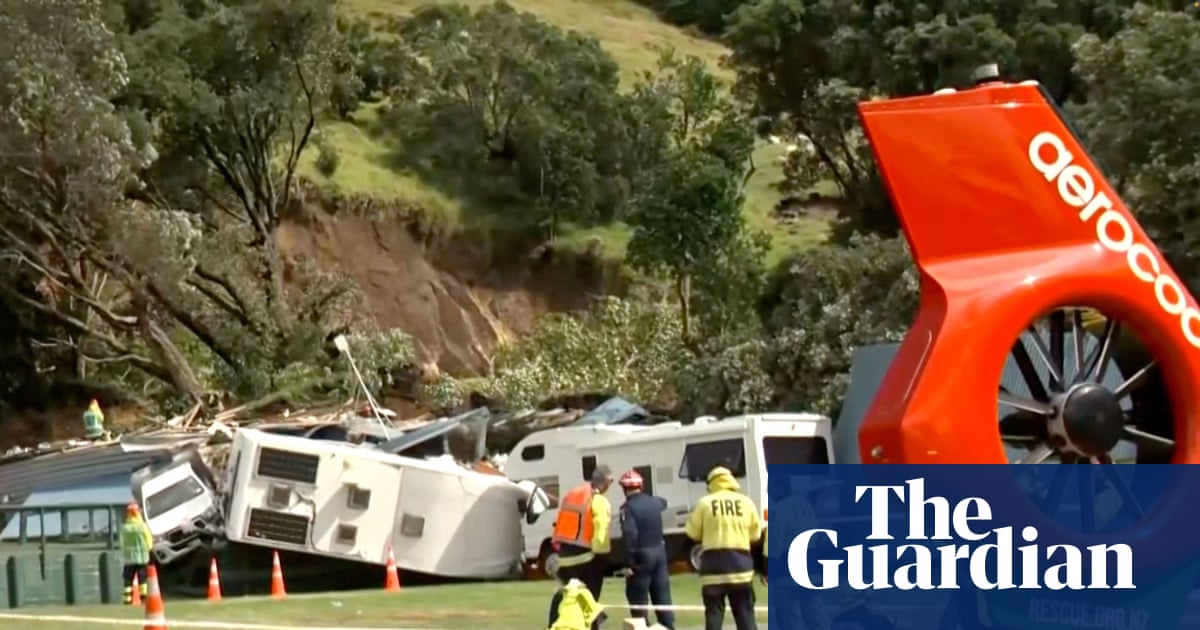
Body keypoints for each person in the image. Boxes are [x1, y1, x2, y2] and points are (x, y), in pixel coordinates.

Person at [685, 466, 763, 630]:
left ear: (711, 483)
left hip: (713, 569)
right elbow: (755, 535)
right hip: (740, 568)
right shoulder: (746, 502)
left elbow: (693, 533)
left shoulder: (704, 503)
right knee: (745, 614)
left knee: (714, 614)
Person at [547, 464, 615, 628]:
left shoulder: (573, 494)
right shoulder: (598, 501)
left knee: (569, 599)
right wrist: (605, 559)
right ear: (605, 482)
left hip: (564, 560)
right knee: (588, 602)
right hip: (586, 561)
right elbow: (600, 535)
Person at [618, 469, 675, 630]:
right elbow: (664, 502)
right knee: (662, 596)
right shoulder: (655, 502)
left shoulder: (627, 508)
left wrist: (629, 563)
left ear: (624, 488)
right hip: (659, 553)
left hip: (641, 556)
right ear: (641, 486)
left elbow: (630, 535)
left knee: (638, 599)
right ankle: (668, 626)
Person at [119, 502, 154, 604]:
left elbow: (121, 543)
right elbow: (149, 540)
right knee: (142, 577)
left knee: (128, 578)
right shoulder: (142, 526)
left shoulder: (124, 528)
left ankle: (127, 599)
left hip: (129, 558)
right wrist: (149, 549)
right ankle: (143, 598)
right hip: (142, 557)